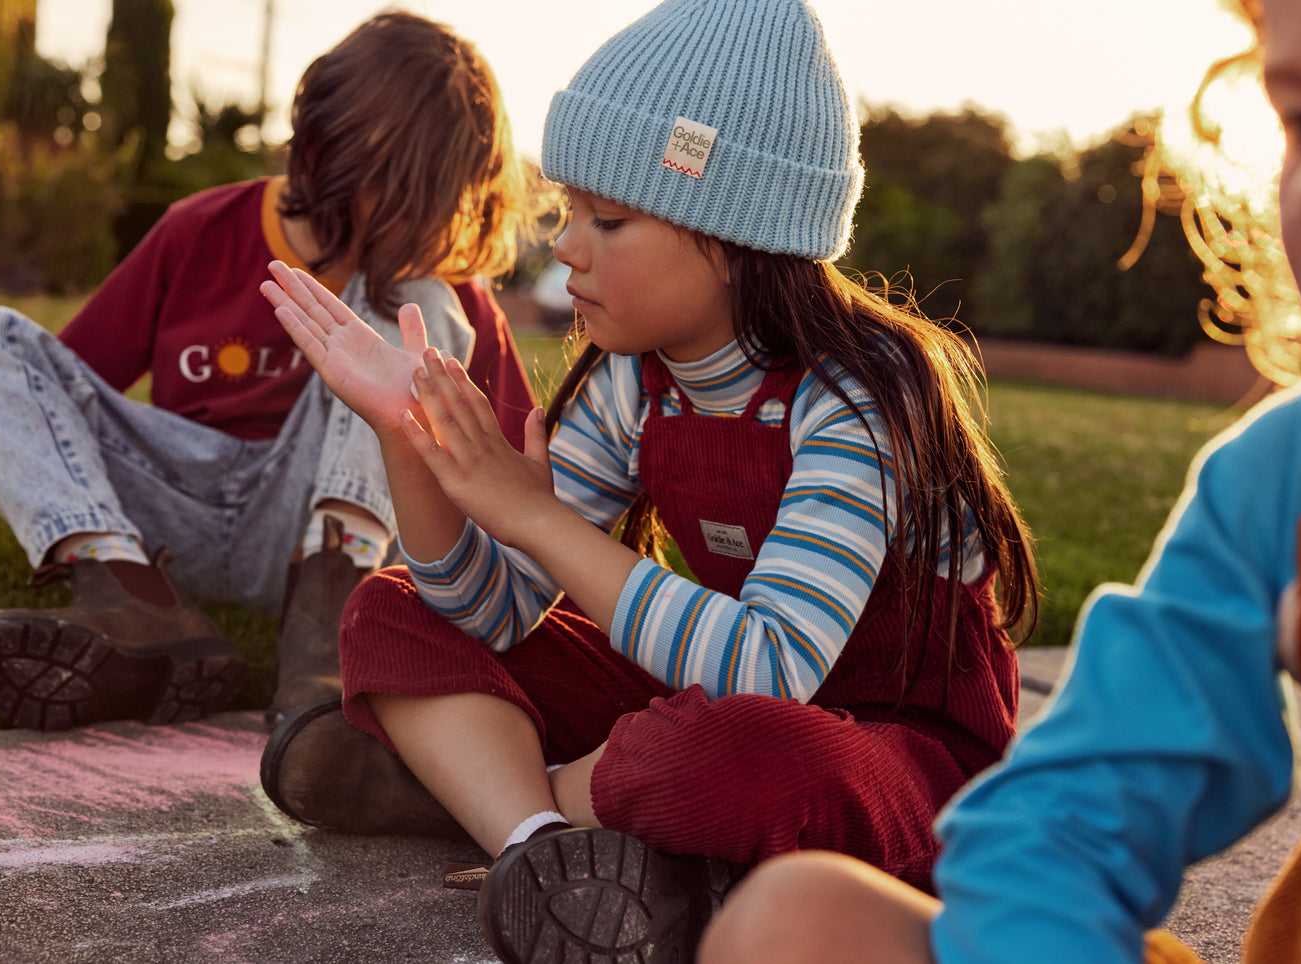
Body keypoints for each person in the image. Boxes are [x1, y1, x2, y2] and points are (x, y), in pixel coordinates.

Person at [257, 2, 1040, 961]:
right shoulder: (633, 373)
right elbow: (490, 613)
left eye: (609, 219)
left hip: (890, 753)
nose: (566, 247)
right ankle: (542, 855)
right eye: (566, 210)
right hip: (701, 686)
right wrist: (406, 435)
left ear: (738, 231)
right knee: (391, 613)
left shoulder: (862, 394)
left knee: (708, 751)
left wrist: (534, 518)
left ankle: (480, 787)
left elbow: (768, 670)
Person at [699, 0, 1301, 961]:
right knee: (798, 923)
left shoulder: (848, 398)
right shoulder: (1294, 473)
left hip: (894, 746)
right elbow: (1070, 814)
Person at [0, 10, 551, 732]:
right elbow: (42, 389)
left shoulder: (443, 295)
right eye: (373, 177)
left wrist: (580, 564)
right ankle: (131, 600)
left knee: (416, 300)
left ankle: (327, 629)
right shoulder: (201, 227)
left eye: (416, 198)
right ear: (320, 141)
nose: (387, 212)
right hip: (164, 518)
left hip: (319, 528)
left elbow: (526, 462)